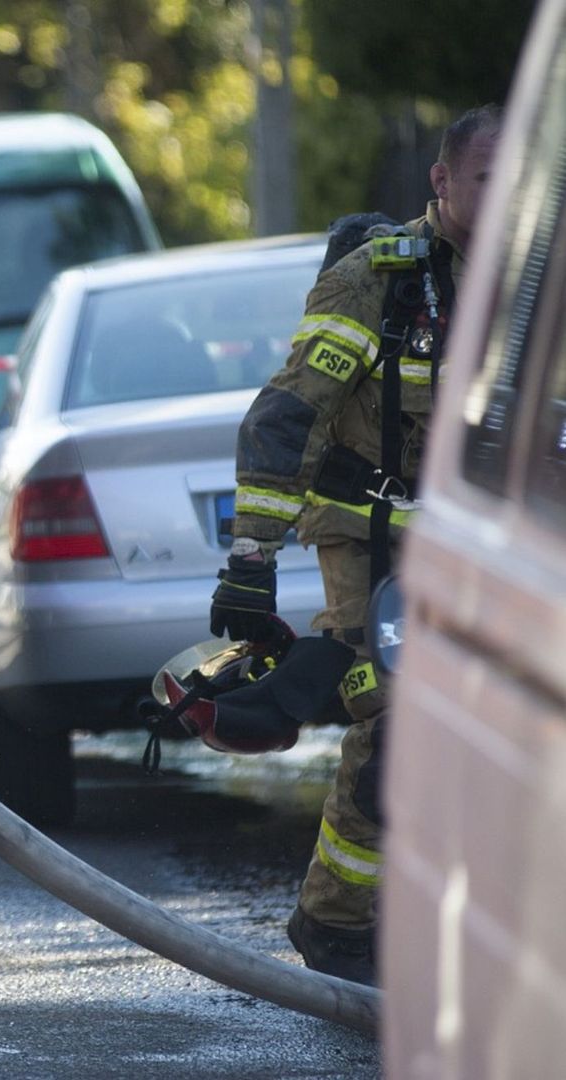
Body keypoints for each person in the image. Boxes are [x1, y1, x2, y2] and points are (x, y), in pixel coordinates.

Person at [212, 105, 502, 986]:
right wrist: (250, 560)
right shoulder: (374, 281)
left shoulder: (537, 284)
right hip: (372, 537)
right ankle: (333, 923)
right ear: (440, 182)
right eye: (486, 181)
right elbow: (287, 418)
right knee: (393, 728)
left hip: (491, 547)